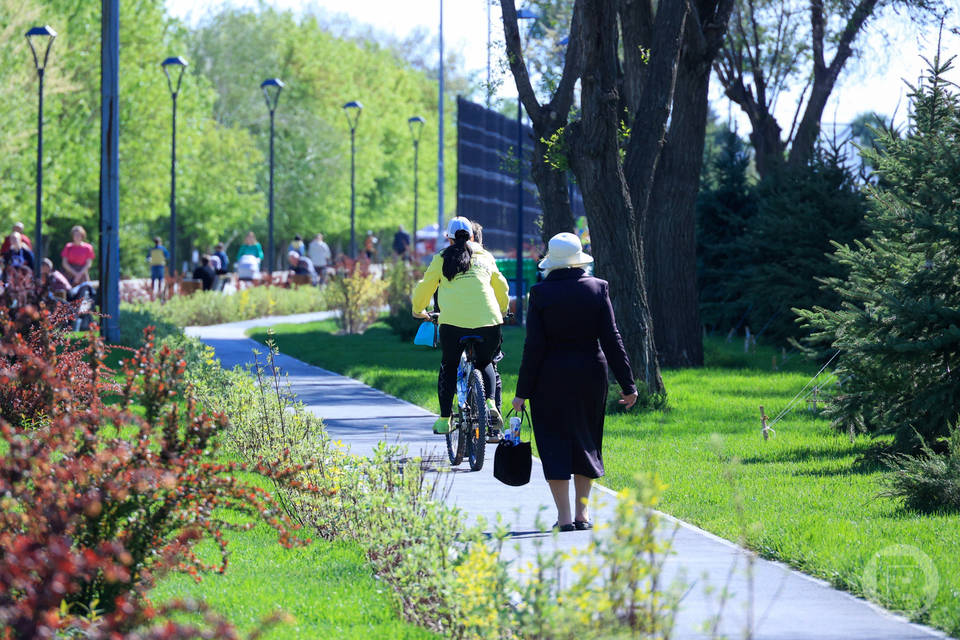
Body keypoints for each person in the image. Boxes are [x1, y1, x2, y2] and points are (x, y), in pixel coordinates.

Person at [512, 233, 638, 532]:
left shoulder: (540, 294)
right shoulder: (598, 288)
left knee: (554, 443)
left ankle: (565, 517)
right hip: (590, 375)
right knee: (586, 439)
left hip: (549, 378)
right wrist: (628, 384)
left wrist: (522, 392)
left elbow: (534, 347)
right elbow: (612, 338)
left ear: (552, 262)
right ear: (579, 259)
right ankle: (584, 514)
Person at [412, 217, 510, 438]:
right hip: (489, 323)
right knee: (486, 362)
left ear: (448, 238)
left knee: (449, 364)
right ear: (472, 236)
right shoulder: (485, 256)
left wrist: (419, 310)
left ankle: (445, 419)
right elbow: (501, 286)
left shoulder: (441, 258)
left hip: (453, 324)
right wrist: (502, 311)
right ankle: (491, 404)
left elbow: (425, 286)